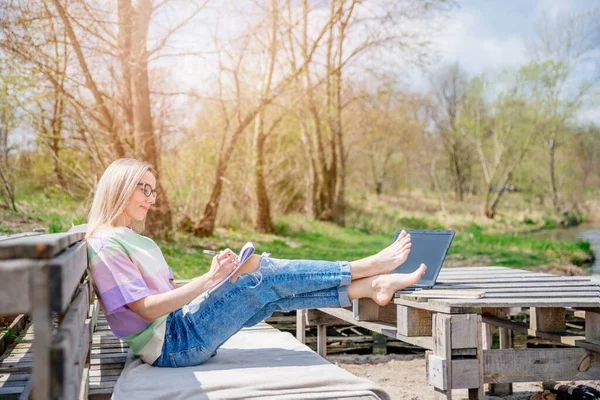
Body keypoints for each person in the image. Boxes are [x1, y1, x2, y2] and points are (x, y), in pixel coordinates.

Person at [86, 158, 427, 368]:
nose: (150, 198)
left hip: (180, 328)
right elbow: (145, 310)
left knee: (265, 287)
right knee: (257, 271)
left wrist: (217, 279)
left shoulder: (130, 238)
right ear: (119, 186)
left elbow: (164, 295)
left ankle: (370, 285)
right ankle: (363, 268)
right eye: (143, 188)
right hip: (176, 344)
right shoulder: (106, 244)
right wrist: (208, 280)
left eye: (153, 191)